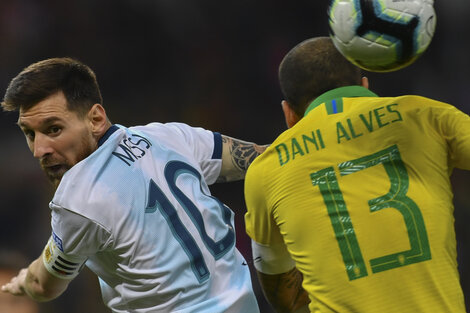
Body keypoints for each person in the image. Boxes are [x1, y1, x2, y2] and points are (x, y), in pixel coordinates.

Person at [0, 57, 266, 312]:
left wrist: (22, 280)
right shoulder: (167, 135)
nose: (39, 150)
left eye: (54, 129)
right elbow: (260, 160)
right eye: (29, 133)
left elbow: (44, 285)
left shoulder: (79, 199)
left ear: (95, 119)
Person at [244, 36, 470, 313]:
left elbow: (284, 294)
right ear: (364, 85)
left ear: (289, 113)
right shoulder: (425, 114)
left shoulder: (265, 170)